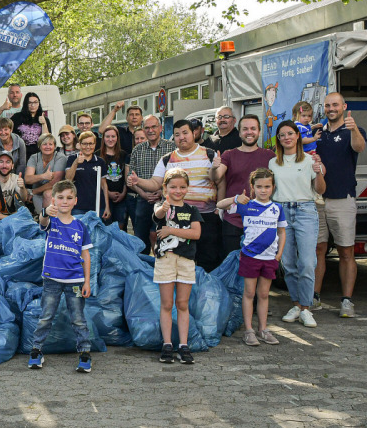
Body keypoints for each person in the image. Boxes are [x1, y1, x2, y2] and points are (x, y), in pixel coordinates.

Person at [129, 119, 222, 271]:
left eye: (185, 133)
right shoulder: (167, 159)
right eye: (177, 134)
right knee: (178, 262)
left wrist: (219, 207)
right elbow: (154, 183)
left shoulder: (209, 154)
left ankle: (204, 293)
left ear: (194, 133)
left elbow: (220, 182)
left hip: (206, 217)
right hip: (175, 218)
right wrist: (137, 181)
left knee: (208, 260)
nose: (181, 137)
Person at [27, 180, 94, 372]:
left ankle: (84, 352)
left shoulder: (80, 226)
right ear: (54, 200)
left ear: (75, 201)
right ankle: (36, 350)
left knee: (78, 318)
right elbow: (42, 221)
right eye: (61, 198)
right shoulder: (51, 220)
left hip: (75, 281)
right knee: (46, 316)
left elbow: (86, 255)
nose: (65, 201)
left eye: (69, 198)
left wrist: (87, 281)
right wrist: (45, 212)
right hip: (51, 279)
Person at [217, 169, 286, 346]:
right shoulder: (246, 205)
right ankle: (249, 330)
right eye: (259, 186)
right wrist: (234, 199)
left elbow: (282, 231)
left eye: (267, 186)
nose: (263, 190)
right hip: (250, 257)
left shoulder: (277, 208)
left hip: (270, 258)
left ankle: (263, 329)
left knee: (263, 294)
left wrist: (279, 254)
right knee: (249, 293)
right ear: (253, 187)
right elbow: (219, 205)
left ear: (273, 187)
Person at [269, 120, 326, 329]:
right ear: (278, 139)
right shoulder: (273, 163)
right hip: (282, 212)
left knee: (308, 262)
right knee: (289, 263)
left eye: (290, 134)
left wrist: (319, 171)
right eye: (282, 135)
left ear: (297, 136)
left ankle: (306, 308)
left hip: (305, 211)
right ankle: (296, 305)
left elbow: (320, 189)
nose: (286, 138)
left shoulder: (310, 160)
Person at [315, 94, 367, 317]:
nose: (331, 108)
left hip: (343, 199)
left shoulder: (353, 131)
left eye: (335, 105)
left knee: (346, 252)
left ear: (344, 107)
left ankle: (347, 301)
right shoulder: (318, 133)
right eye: (327, 105)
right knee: (318, 251)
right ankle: (314, 297)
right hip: (317, 201)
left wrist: (353, 129)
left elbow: (359, 148)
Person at [152, 168, 203, 365]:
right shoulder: (161, 206)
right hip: (165, 259)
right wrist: (164, 209)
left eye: (182, 187)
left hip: (186, 261)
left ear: (187, 189)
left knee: (182, 304)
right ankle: (167, 344)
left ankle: (183, 345)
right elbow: (157, 215)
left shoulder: (192, 210)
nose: (178, 191)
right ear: (165, 188)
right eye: (173, 187)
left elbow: (196, 234)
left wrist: (171, 230)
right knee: (166, 304)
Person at [215, 115, 275, 258]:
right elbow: (216, 177)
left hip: (261, 221)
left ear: (259, 132)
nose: (249, 132)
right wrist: (214, 167)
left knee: (258, 266)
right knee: (231, 264)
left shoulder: (270, 156)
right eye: (245, 129)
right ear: (240, 132)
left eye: (253, 128)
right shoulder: (229, 155)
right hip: (234, 220)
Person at [125, 115, 174, 251]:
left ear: (161, 128)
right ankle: (143, 266)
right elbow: (131, 178)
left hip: (165, 201)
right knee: (140, 239)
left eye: (154, 127)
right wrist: (143, 194)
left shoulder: (172, 147)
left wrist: (161, 193)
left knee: (162, 237)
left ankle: (160, 266)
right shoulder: (137, 150)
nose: (150, 130)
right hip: (143, 200)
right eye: (147, 127)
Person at [64, 132, 109, 218]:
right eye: (84, 144)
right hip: (78, 207)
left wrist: (107, 206)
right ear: (79, 144)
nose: (88, 147)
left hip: (98, 206)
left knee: (95, 231)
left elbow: (104, 185)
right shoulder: (72, 159)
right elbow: (68, 179)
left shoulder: (100, 161)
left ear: (95, 144)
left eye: (91, 143)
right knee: (78, 230)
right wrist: (76, 163)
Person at [0, 150, 29, 223]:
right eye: (1, 162)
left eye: (8, 162)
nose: (4, 165)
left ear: (12, 166)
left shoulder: (17, 179)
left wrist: (22, 188)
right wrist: (8, 218)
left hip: (13, 217)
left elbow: (24, 199)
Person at [25, 134, 66, 216]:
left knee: (47, 194)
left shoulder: (60, 157)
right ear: (39, 146)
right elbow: (27, 179)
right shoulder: (34, 158)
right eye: (44, 144)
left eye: (50, 144)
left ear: (54, 146)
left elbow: (55, 182)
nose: (48, 147)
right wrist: (43, 176)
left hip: (54, 192)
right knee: (41, 216)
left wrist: (33, 192)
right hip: (37, 193)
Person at [99, 126, 130, 229]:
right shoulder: (98, 155)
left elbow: (126, 177)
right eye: (107, 136)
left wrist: (123, 193)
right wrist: (108, 193)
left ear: (117, 138)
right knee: (106, 226)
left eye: (113, 136)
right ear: (103, 138)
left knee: (120, 227)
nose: (110, 139)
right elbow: (96, 179)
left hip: (120, 198)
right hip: (103, 198)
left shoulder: (123, 155)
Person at [11, 92, 51, 158]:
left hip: (39, 156)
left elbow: (47, 140)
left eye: (35, 102)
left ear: (39, 103)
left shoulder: (44, 119)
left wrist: (44, 124)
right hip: (21, 156)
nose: (33, 105)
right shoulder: (17, 117)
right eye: (30, 103)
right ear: (26, 104)